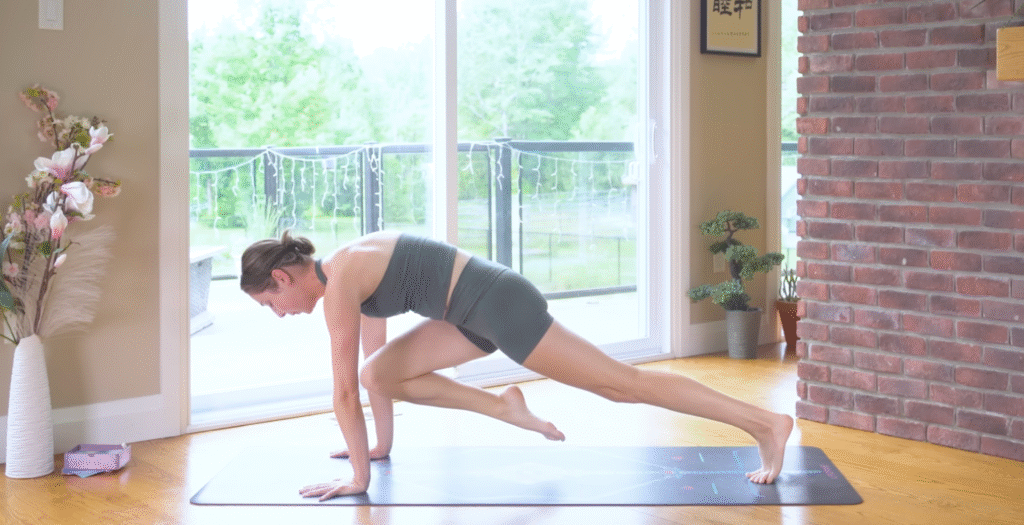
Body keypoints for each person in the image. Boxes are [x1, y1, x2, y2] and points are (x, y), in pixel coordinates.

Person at [240, 230, 794, 502]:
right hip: (469, 314)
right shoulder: (344, 273)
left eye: (270, 304)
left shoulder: (340, 284)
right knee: (379, 372)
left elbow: (340, 394)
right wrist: (379, 450)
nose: (279, 314)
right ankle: (505, 405)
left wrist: (358, 480)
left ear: (283, 278)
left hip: (498, 305)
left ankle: (765, 423)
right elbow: (373, 372)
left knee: (622, 386)